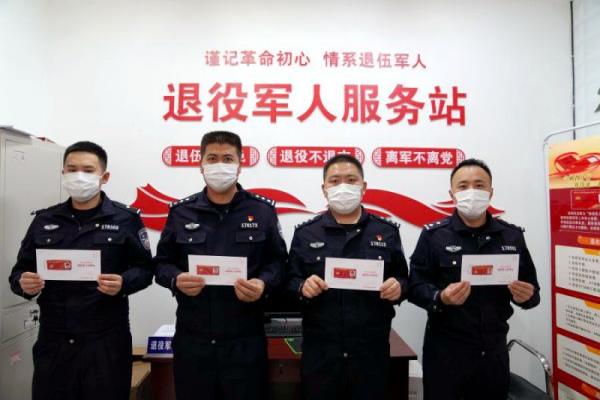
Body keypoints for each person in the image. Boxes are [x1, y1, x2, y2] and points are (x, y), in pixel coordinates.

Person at [9, 141, 153, 400]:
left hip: (105, 340)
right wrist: (24, 283)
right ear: (63, 173)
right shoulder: (44, 220)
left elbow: (145, 270)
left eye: (88, 170)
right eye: (72, 169)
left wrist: (123, 282)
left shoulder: (126, 219)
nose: (79, 176)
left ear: (104, 177)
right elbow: (19, 272)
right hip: (55, 339)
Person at [154, 130, 288, 400]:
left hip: (245, 340)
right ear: (201, 165)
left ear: (240, 165)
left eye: (227, 159)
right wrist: (176, 279)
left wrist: (263, 283)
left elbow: (279, 263)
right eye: (212, 158)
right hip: (194, 341)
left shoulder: (262, 211)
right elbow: (161, 264)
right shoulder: (181, 212)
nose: (219, 165)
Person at [408, 158, 540, 400]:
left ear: (491, 191)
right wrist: (440, 297)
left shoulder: (511, 236)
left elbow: (533, 293)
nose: (472, 191)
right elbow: (415, 286)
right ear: (452, 194)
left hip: (493, 351)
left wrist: (526, 296)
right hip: (446, 351)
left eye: (479, 185)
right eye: (463, 186)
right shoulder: (433, 235)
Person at [286, 154, 409, 400]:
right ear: (324, 189)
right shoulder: (306, 233)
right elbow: (288, 281)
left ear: (363, 187)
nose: (343, 186)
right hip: (321, 353)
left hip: (370, 352)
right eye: (335, 181)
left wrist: (399, 287)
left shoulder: (386, 231)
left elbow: (405, 279)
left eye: (351, 180)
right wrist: (302, 286)